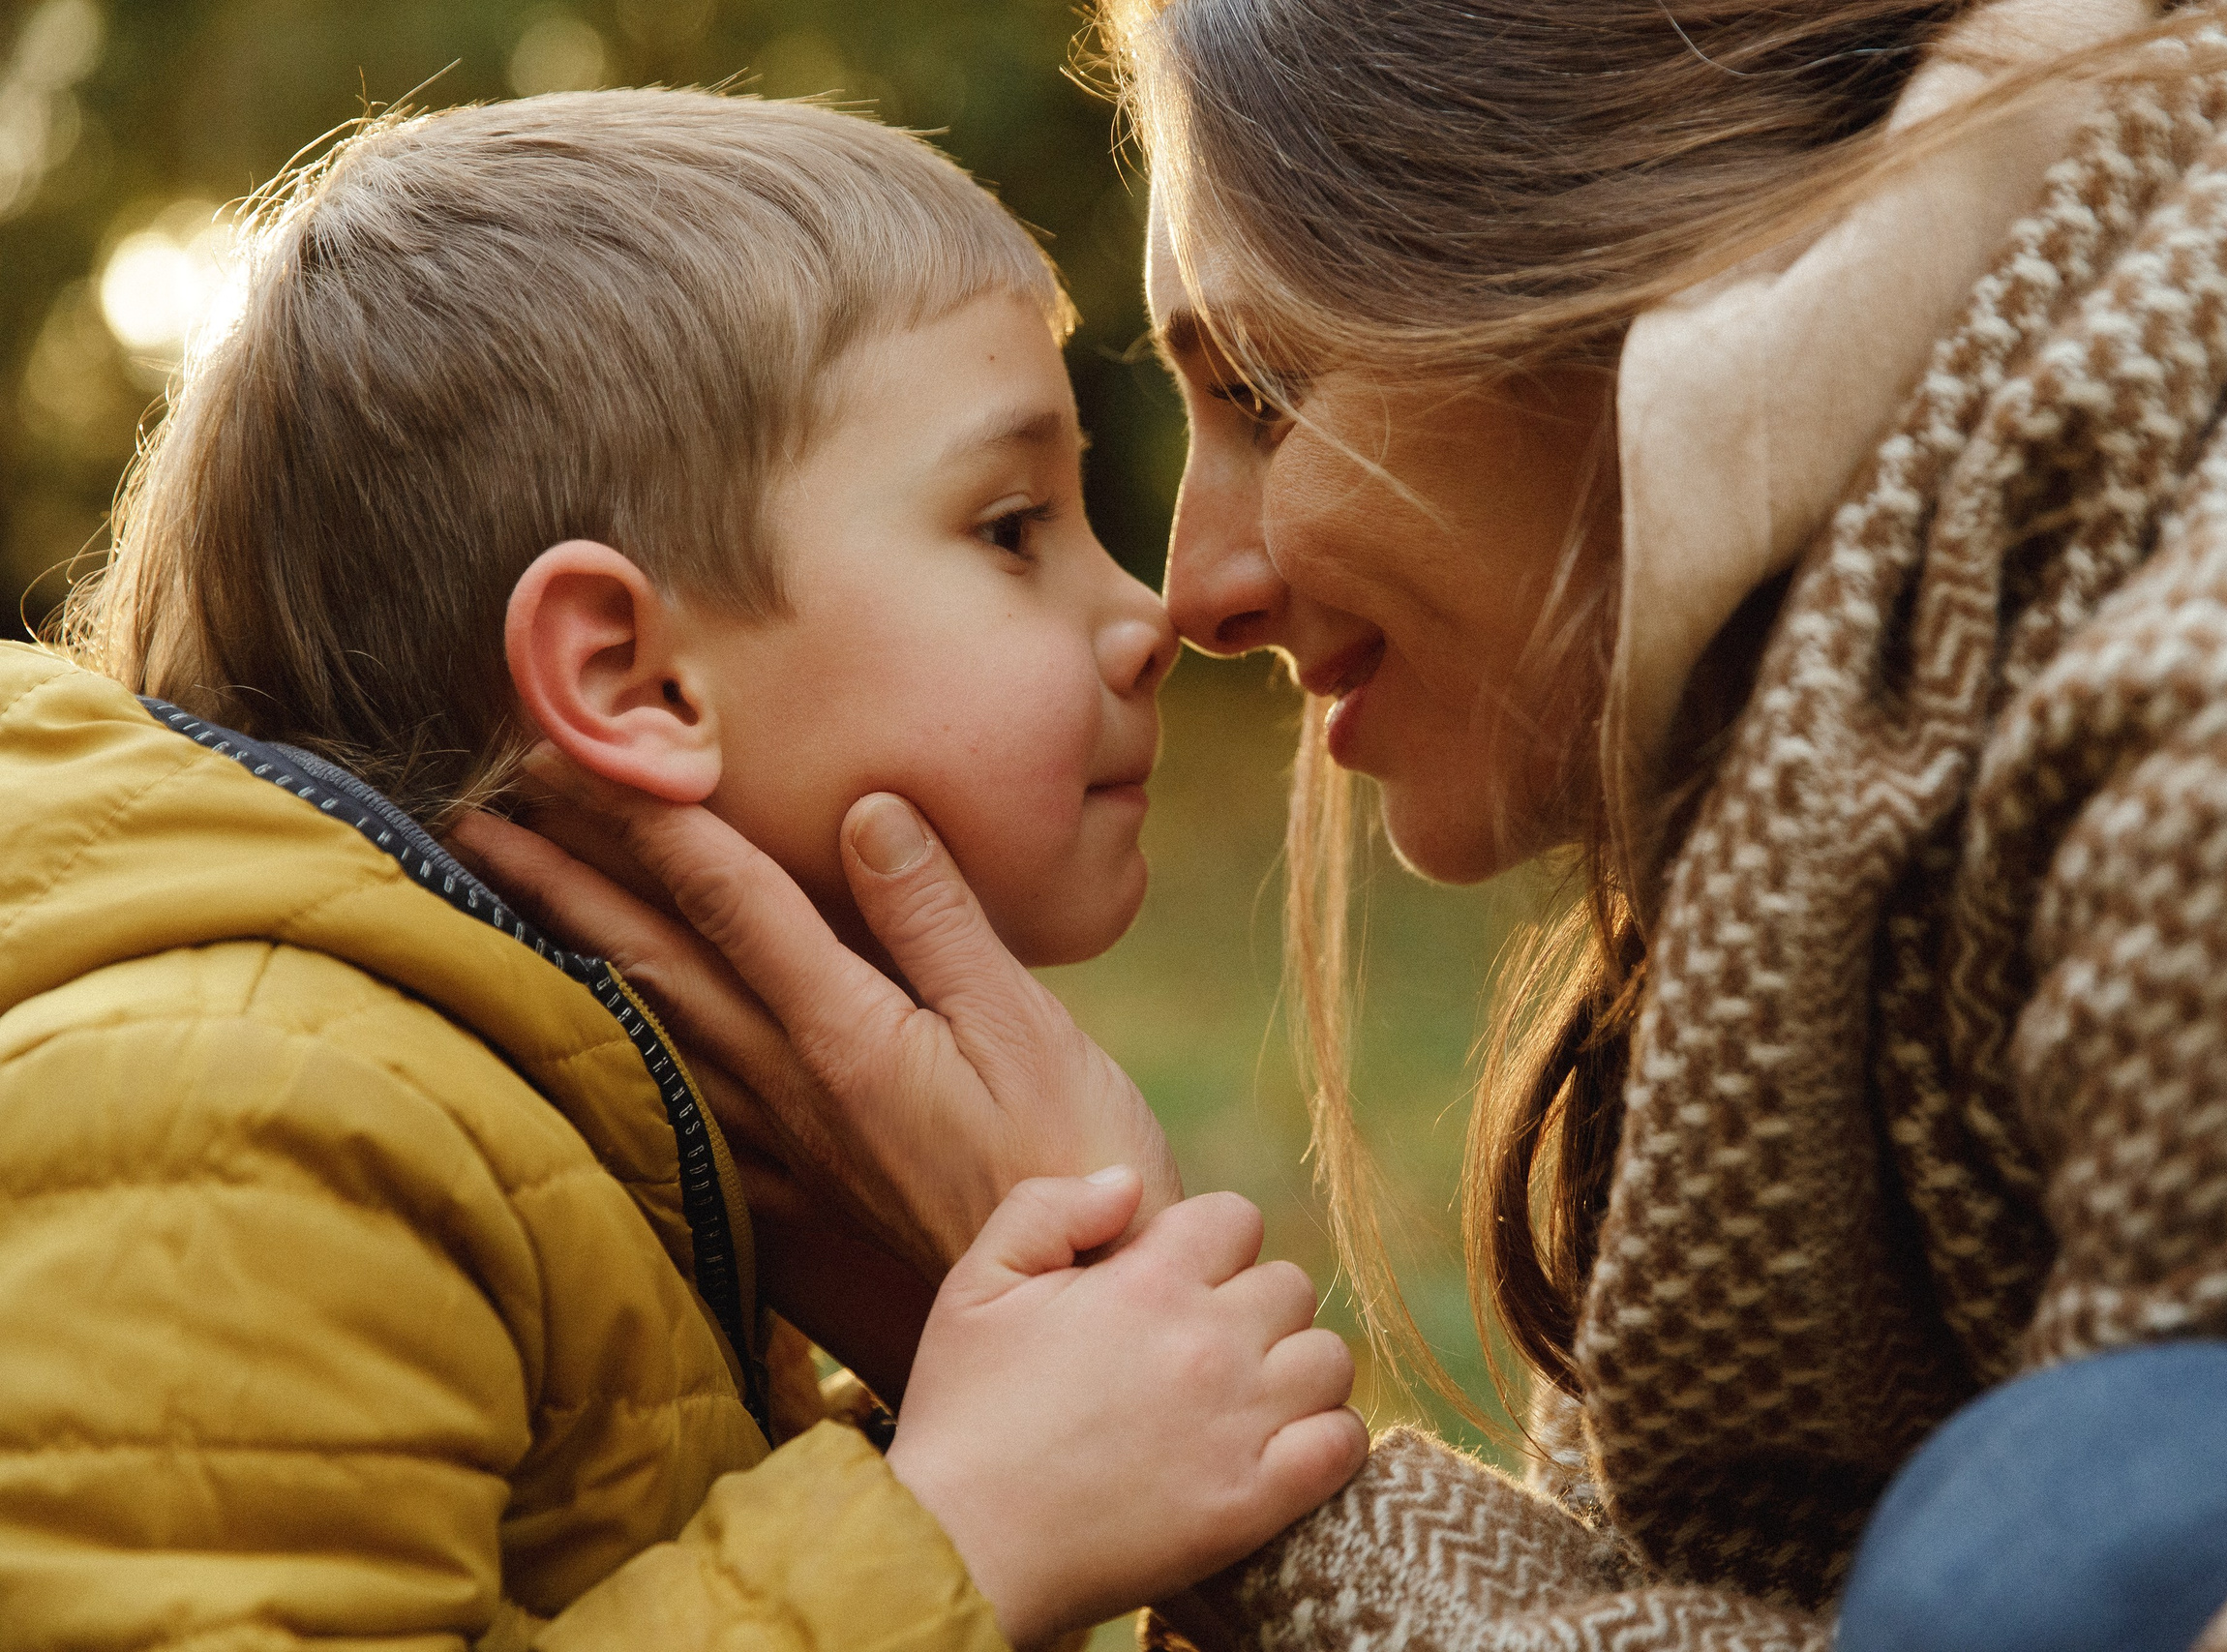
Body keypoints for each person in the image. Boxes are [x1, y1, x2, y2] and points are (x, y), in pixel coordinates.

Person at [466, 0, 2227, 1644]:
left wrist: (1151, 1412)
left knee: (2065, 1537)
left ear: (1605, 264)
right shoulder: (1864, 730)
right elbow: (1724, 1607)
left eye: (1260, 388)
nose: (1196, 585)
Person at [0, 89, 1369, 1649]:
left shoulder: (596, 1129)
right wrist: (964, 1536)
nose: (1150, 616)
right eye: (1009, 527)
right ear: (630, 681)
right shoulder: (243, 1124)